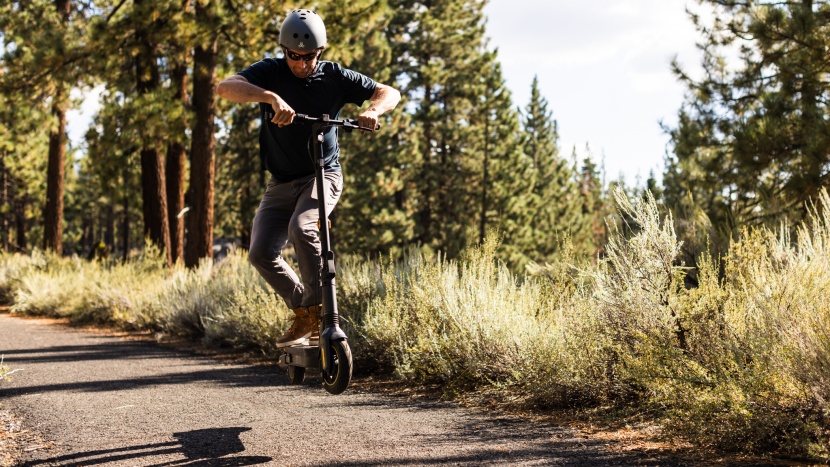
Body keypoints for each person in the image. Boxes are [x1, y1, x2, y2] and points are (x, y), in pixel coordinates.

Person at [216, 9, 401, 347]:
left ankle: (321, 313)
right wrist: (269, 97)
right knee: (260, 253)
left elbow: (389, 92)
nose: (300, 63)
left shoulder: (335, 77)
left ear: (321, 52)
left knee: (302, 228)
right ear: (284, 50)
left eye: (308, 57)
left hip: (323, 174)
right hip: (281, 182)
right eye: (293, 56)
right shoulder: (269, 72)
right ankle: (305, 310)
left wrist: (373, 110)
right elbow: (226, 87)